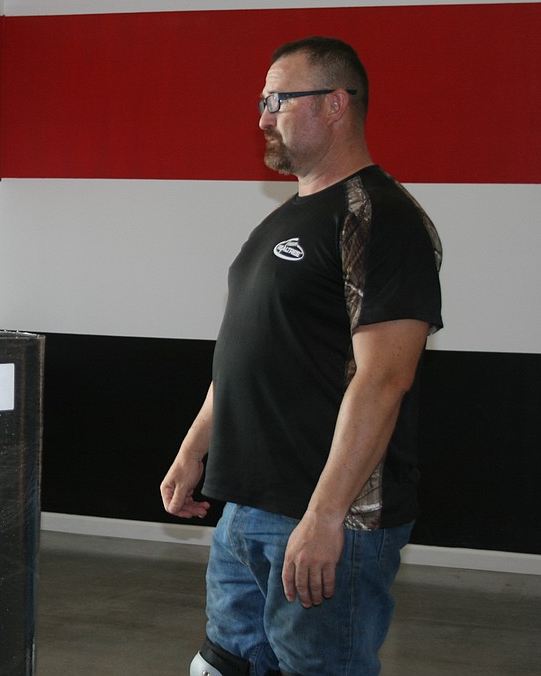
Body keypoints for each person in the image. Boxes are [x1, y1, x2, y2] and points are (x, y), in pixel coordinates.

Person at [160, 37, 442, 676]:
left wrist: (323, 518)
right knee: (227, 662)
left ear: (336, 104)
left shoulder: (381, 221)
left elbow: (385, 379)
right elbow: (250, 351)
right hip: (246, 508)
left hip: (318, 519)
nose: (263, 116)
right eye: (262, 101)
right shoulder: (285, 218)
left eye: (278, 100)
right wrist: (194, 449)